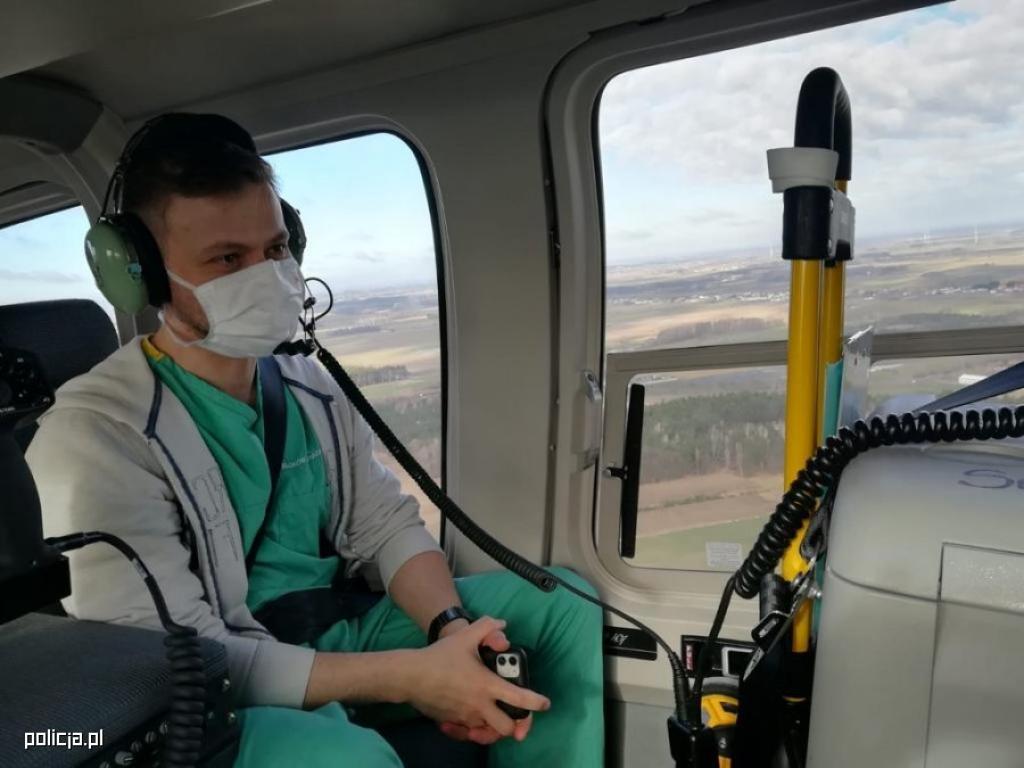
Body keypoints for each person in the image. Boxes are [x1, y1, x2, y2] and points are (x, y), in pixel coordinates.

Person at [26, 113, 604, 767]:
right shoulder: (98, 435)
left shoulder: (307, 384)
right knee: (352, 759)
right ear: (144, 276)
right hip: (222, 684)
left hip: (333, 627)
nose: (267, 275)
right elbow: (178, 663)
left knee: (559, 608)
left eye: (276, 249)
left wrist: (452, 632)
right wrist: (410, 679)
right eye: (227, 259)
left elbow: (385, 526)